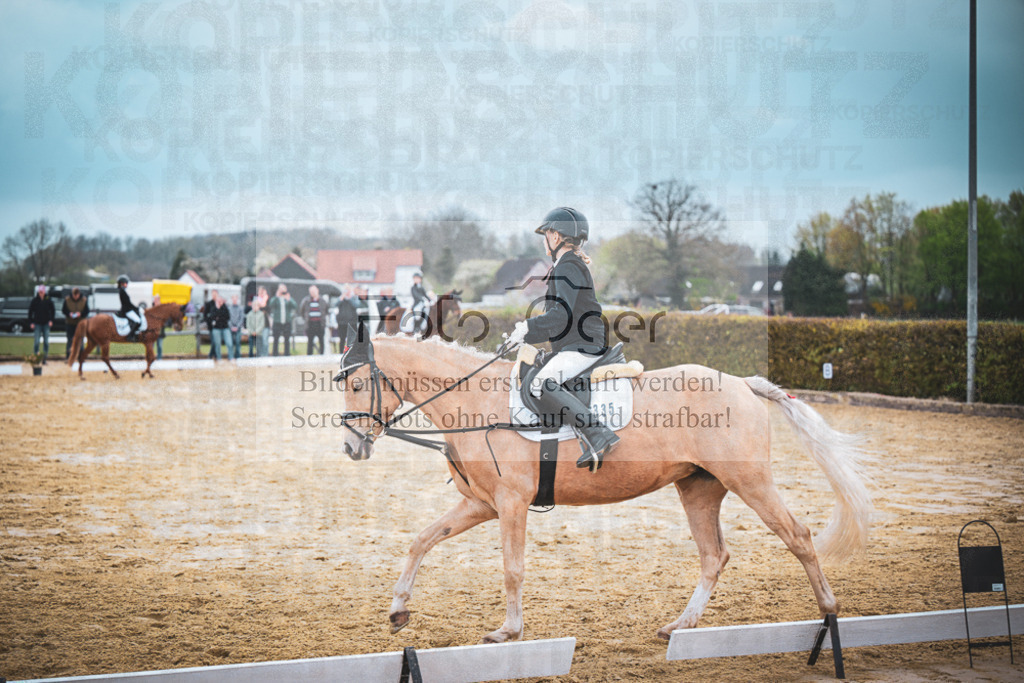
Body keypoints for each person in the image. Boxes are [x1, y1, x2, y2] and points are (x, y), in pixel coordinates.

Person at [506, 207, 618, 472]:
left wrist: (526, 328)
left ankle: (597, 434)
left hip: (583, 345)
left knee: (542, 383)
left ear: (555, 236)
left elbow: (560, 316)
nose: (544, 239)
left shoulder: (567, 267)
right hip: (577, 342)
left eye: (545, 234)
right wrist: (528, 334)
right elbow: (560, 319)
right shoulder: (568, 266)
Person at [29, 284, 56, 363]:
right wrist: (31, 322)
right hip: (37, 324)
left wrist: (51, 320)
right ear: (38, 292)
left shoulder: (48, 300)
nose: (41, 293)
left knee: (46, 342)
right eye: (40, 292)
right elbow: (30, 312)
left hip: (46, 324)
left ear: (44, 292)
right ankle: (36, 357)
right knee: (36, 342)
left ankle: (44, 358)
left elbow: (53, 311)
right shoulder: (35, 300)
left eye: (42, 291)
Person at [61, 286, 89, 360]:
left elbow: (87, 311)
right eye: (74, 295)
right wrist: (69, 314)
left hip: (80, 324)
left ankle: (81, 357)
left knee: (80, 340)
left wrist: (80, 314)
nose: (75, 297)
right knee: (70, 340)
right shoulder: (67, 300)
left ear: (79, 294)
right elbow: (63, 310)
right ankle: (69, 357)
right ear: (72, 294)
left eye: (77, 295)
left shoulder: (84, 300)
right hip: (70, 323)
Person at [269, 284, 297, 356]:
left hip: (287, 322)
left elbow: (295, 306)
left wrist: (289, 299)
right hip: (277, 322)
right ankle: (275, 354)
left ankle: (286, 354)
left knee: (287, 340)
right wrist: (276, 296)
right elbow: (271, 305)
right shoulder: (276, 299)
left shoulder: (287, 297)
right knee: (276, 339)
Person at [299, 285, 327, 355]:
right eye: (311, 291)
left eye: (314, 291)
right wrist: (306, 319)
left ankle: (322, 355)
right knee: (310, 342)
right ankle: (309, 356)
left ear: (317, 291)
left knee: (321, 341)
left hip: (320, 324)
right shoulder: (306, 301)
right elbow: (302, 311)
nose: (312, 293)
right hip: (310, 324)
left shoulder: (322, 301)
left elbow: (326, 310)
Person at [117, 275, 143, 342]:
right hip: (127, 310)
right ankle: (130, 336)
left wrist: (136, 308)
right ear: (121, 283)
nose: (126, 284)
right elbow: (128, 303)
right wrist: (137, 308)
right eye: (125, 283)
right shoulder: (122, 291)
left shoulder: (122, 291)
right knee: (138, 320)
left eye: (126, 283)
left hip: (127, 309)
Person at [209, 292, 231, 360]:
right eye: (218, 300)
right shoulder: (213, 308)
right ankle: (219, 358)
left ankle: (231, 357)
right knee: (217, 344)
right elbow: (212, 317)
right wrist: (218, 313)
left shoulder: (225, 307)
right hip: (216, 329)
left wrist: (218, 317)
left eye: (221, 300)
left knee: (229, 343)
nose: (220, 302)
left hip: (225, 328)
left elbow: (227, 317)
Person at [228, 294, 244, 359]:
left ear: (237, 299)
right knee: (230, 343)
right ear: (232, 299)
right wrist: (231, 326)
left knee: (238, 342)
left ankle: (238, 357)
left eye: (236, 299)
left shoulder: (240, 308)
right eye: (233, 299)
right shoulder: (229, 308)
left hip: (238, 328)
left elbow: (241, 318)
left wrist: (237, 326)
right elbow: (228, 318)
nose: (234, 300)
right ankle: (231, 357)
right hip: (230, 328)